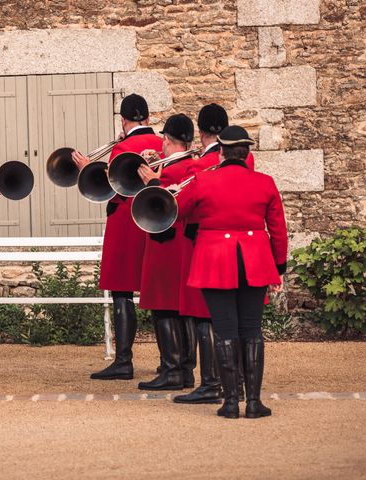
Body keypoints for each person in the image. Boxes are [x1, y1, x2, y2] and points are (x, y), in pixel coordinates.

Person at [146, 125, 287, 419]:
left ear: (221, 151)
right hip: (255, 262)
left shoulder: (203, 180)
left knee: (224, 332)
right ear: (246, 153)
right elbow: (278, 230)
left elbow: (178, 212)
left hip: (215, 261)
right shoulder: (265, 182)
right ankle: (254, 402)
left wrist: (166, 188)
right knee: (252, 333)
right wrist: (279, 267)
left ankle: (231, 402)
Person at [72, 94, 163, 380]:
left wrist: (87, 167)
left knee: (121, 290)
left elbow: (111, 186)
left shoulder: (122, 147)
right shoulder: (164, 145)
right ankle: (171, 361)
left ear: (123, 120)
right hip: (159, 220)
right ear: (148, 118)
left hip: (126, 221)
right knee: (161, 293)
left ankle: (124, 360)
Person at [173, 104, 229, 404]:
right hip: (232, 246)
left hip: (202, 243)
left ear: (203, 131)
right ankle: (234, 381)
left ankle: (210, 382)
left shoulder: (198, 167)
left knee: (202, 314)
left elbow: (181, 207)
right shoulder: (243, 160)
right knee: (229, 315)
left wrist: (154, 182)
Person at [136, 114, 197, 391]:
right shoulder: (194, 166)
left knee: (162, 307)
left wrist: (150, 182)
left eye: (165, 141)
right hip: (183, 245)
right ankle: (185, 368)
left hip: (164, 243)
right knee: (182, 308)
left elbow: (160, 202)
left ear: (170, 141)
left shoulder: (172, 169)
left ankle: (171, 368)